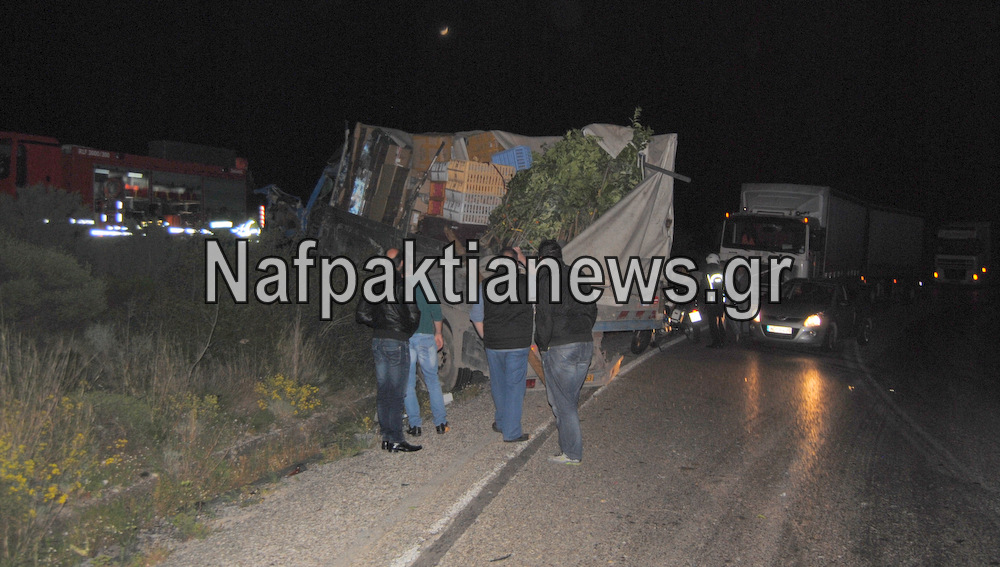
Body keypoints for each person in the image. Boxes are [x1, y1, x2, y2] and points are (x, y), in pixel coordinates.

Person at [534, 240, 597, 465]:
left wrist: (542, 343)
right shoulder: (577, 274)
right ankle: (567, 447)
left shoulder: (545, 277)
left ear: (542, 259)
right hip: (584, 344)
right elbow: (592, 307)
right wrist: (583, 330)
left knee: (563, 403)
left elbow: (544, 314)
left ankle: (572, 453)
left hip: (560, 346)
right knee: (566, 399)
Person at [355, 248, 423, 453]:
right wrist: (401, 332)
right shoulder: (405, 285)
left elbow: (361, 314)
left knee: (384, 391)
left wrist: (380, 325)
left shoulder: (373, 284)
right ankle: (395, 438)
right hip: (396, 341)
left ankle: (387, 436)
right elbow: (413, 317)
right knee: (395, 392)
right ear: (401, 264)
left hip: (378, 341)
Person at [470, 246, 533, 443]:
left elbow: (476, 316)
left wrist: (486, 338)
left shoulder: (485, 285)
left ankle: (501, 422)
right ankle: (511, 432)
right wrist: (523, 258)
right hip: (517, 343)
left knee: (498, 384)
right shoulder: (526, 282)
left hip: (494, 343)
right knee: (514, 387)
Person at [403, 268, 450, 437]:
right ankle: (440, 423)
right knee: (432, 381)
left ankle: (415, 425)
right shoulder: (425, 284)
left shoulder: (397, 286)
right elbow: (436, 311)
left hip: (405, 338)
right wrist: (439, 333)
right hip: (426, 337)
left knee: (407, 384)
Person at [702, 252, 726, 348]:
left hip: (711, 299)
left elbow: (704, 287)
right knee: (721, 320)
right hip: (721, 300)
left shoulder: (707, 272)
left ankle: (716, 342)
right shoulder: (721, 272)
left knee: (712, 322)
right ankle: (722, 339)